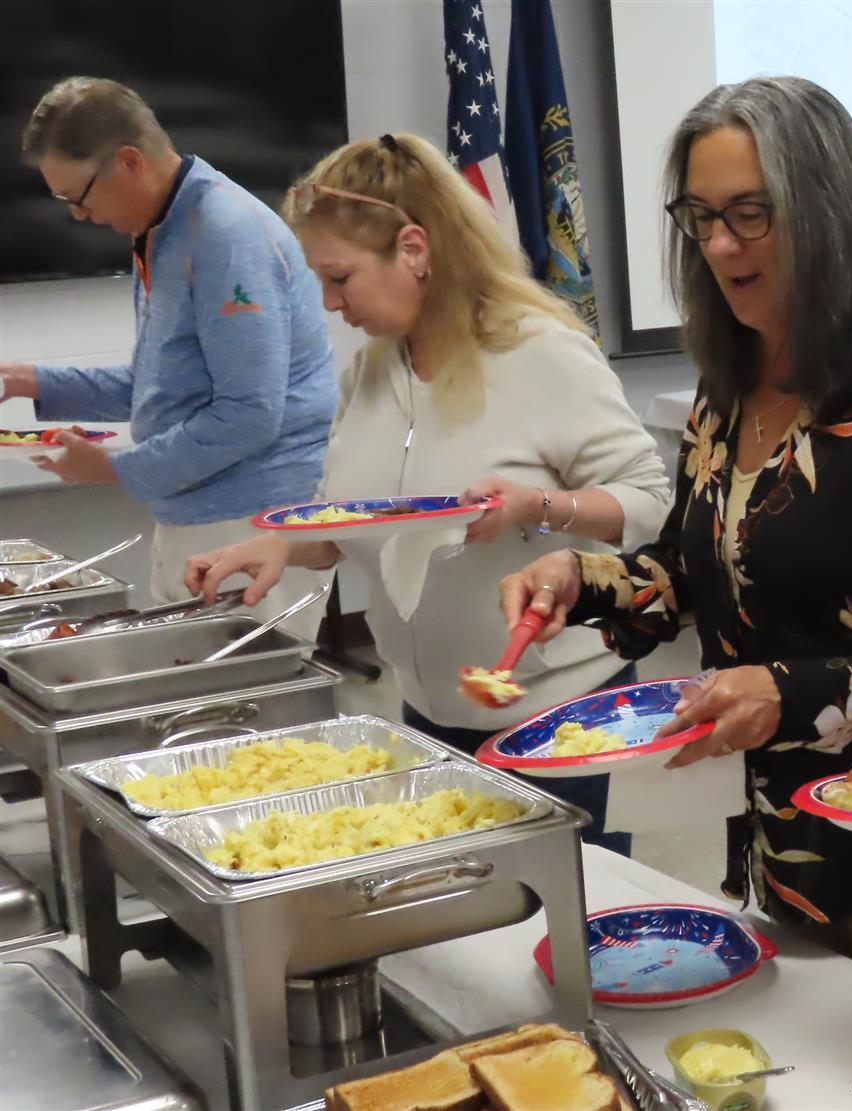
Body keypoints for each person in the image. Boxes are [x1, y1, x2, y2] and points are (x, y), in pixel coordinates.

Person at [505, 77, 852, 994]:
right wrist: (580, 580)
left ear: (828, 212)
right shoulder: (728, 388)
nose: (718, 244)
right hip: (776, 839)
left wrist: (787, 693)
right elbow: (696, 568)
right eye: (700, 216)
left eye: (751, 213)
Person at [183, 133, 669, 853]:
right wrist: (278, 547)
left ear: (413, 249)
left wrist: (534, 506)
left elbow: (651, 503)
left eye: (340, 278)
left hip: (557, 720)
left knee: (562, 914)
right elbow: (357, 519)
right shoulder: (373, 372)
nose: (330, 303)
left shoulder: (540, 352)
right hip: (429, 717)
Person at [0, 77, 335, 628]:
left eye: (78, 197)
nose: (78, 216)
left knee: (242, 681)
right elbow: (159, 384)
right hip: (194, 511)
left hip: (252, 521)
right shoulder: (163, 226)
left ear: (129, 162)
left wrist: (116, 468)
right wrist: (24, 379)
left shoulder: (226, 235)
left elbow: (249, 414)